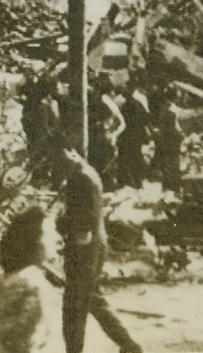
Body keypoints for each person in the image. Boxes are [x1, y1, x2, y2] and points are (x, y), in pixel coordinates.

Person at [58, 146, 142, 353]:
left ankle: (75, 351)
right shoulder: (87, 173)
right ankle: (129, 344)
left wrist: (60, 224)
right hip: (93, 245)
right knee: (93, 301)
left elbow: (83, 223)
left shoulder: (79, 178)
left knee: (74, 307)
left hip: (84, 248)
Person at [0, 206, 53, 352]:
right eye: (48, 234)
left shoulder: (10, 278)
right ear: (34, 241)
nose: (56, 240)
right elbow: (27, 329)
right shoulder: (31, 281)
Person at [117, 85, 151, 188]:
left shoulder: (123, 106)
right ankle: (138, 181)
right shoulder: (138, 104)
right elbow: (146, 118)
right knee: (136, 157)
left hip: (127, 135)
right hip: (137, 135)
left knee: (126, 158)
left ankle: (127, 181)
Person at [152, 86, 184, 192]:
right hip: (171, 141)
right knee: (173, 165)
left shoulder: (164, 109)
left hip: (166, 141)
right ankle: (173, 188)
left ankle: (168, 188)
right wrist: (181, 134)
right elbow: (174, 128)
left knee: (167, 165)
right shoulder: (170, 112)